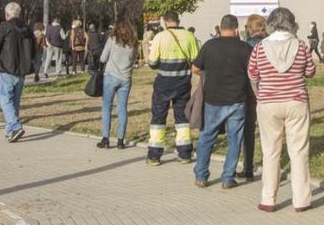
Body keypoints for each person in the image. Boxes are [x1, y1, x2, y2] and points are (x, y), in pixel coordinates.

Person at [248, 7, 316, 213]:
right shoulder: (301, 45)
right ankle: (301, 200)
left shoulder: (259, 48)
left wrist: (262, 90)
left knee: (270, 151)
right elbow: (310, 72)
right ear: (292, 24)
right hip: (296, 101)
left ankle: (268, 199)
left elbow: (252, 74)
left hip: (268, 103)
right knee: (298, 151)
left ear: (270, 24)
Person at [192, 14, 253, 188]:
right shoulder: (245, 48)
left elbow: (195, 68)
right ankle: (227, 178)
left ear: (220, 27)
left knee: (207, 137)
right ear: (235, 29)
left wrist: (208, 74)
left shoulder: (209, 46)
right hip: (237, 99)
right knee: (235, 139)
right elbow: (252, 72)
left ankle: (201, 176)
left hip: (213, 99)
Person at [146, 11, 200, 165]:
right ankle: (184, 153)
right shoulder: (190, 37)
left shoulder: (160, 37)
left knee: (158, 117)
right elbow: (196, 61)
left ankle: (154, 155)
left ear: (164, 21)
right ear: (178, 20)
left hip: (163, 83)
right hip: (183, 83)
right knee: (182, 118)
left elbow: (152, 62)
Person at [0, 2, 34, 143]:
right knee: (14, 101)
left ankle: (15, 126)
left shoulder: (4, 27)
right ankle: (10, 131)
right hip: (21, 70)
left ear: (7, 14)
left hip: (6, 68)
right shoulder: (27, 29)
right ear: (19, 13)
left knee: (5, 99)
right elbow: (33, 50)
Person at [97, 19, 138, 149]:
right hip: (126, 78)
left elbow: (103, 58)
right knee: (122, 108)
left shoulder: (112, 39)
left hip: (111, 76)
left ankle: (106, 138)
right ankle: (120, 140)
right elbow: (134, 60)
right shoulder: (134, 43)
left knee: (107, 107)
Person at [238, 14, 267, 180]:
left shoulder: (247, 46)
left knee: (248, 131)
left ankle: (248, 167)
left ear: (250, 28)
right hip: (270, 92)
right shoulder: (269, 44)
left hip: (250, 93)